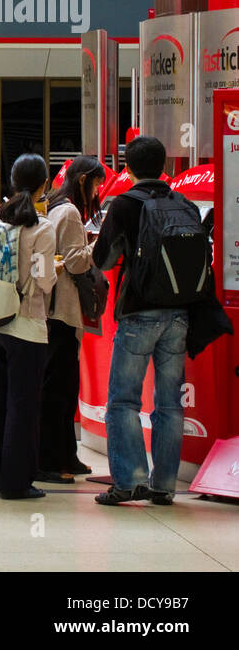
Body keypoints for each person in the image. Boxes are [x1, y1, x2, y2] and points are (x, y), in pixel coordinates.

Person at [91, 135, 188, 506]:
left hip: (138, 312)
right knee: (170, 403)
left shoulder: (125, 205)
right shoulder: (181, 202)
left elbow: (103, 260)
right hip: (179, 312)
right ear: (163, 166)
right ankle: (164, 484)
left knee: (124, 401)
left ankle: (130, 481)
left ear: (127, 169)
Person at [0, 154, 57, 500]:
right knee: (23, 405)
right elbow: (43, 279)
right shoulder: (41, 226)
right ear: (44, 185)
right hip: (25, 326)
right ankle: (15, 482)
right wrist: (58, 269)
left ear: (9, 180)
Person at [37, 155, 105, 483]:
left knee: (63, 385)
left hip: (49, 307)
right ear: (83, 180)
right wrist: (96, 247)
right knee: (60, 387)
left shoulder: (53, 205)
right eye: (96, 183)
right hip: (61, 308)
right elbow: (76, 263)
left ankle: (66, 454)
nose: (97, 191)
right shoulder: (71, 212)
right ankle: (52, 459)